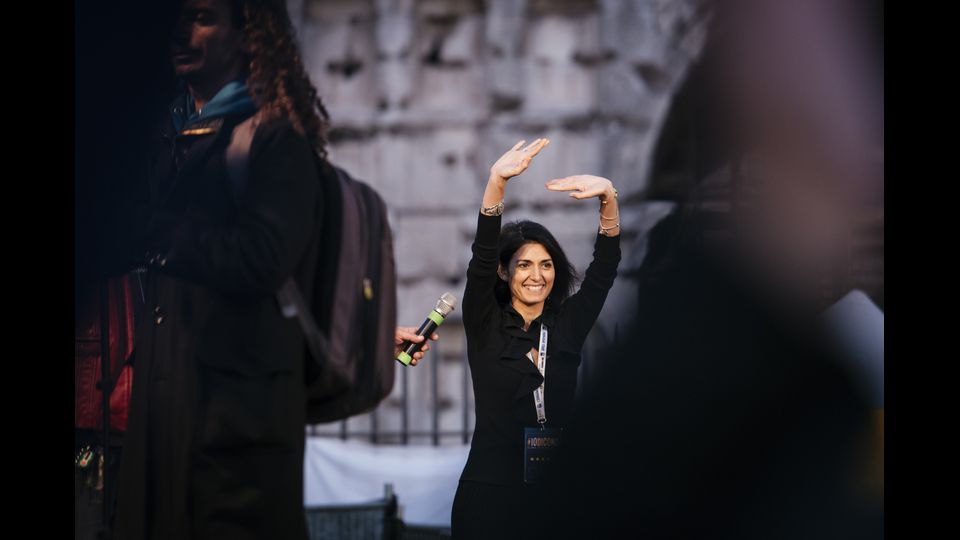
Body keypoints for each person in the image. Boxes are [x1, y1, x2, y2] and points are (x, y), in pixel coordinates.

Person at [112, 1, 436, 538]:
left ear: (248, 35)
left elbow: (263, 258)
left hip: (237, 429)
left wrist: (155, 231)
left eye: (201, 16)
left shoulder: (274, 139)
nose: (181, 31)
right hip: (166, 416)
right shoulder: (168, 140)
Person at [451, 138, 621, 539]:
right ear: (505, 273)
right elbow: (482, 257)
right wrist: (496, 183)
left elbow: (604, 271)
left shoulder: (568, 324)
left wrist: (608, 198)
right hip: (487, 497)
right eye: (524, 264)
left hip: (553, 499)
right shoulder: (484, 322)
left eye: (546, 265)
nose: (536, 275)